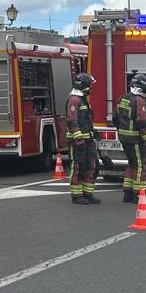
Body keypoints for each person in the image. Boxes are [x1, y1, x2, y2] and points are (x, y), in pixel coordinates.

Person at [115, 73, 146, 204]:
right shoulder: (139, 100)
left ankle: (127, 193)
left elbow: (116, 118)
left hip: (124, 137)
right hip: (135, 139)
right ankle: (139, 194)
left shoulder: (123, 98)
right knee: (140, 166)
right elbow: (142, 122)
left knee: (132, 164)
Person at [65, 72, 100, 205]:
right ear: (83, 85)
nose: (91, 88)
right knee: (79, 167)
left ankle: (87, 193)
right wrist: (78, 138)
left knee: (91, 165)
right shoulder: (74, 100)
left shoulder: (83, 100)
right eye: (90, 85)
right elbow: (72, 120)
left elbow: (85, 121)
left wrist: (93, 132)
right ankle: (77, 195)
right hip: (77, 141)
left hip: (88, 140)